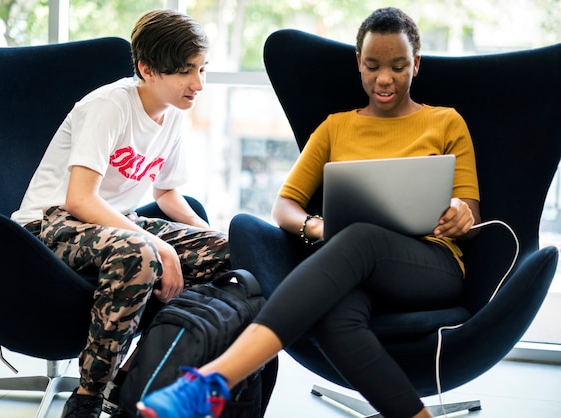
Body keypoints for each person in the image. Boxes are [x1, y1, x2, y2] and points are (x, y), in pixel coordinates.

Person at [137, 7, 481, 418]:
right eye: (372, 66)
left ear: (416, 64)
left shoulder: (446, 123)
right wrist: (316, 228)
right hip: (357, 268)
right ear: (359, 63)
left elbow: (472, 217)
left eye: (398, 66)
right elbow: (283, 206)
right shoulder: (335, 128)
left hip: (430, 267)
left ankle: (214, 381)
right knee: (335, 319)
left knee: (360, 235)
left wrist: (462, 214)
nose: (384, 78)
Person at [10, 9, 230, 418]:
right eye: (186, 72)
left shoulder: (173, 114)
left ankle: (136, 376)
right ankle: (88, 399)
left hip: (110, 220)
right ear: (147, 68)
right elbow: (79, 199)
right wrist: (157, 243)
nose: (198, 84)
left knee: (227, 252)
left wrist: (211, 234)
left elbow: (166, 193)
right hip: (47, 225)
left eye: (202, 69)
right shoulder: (111, 105)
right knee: (139, 253)